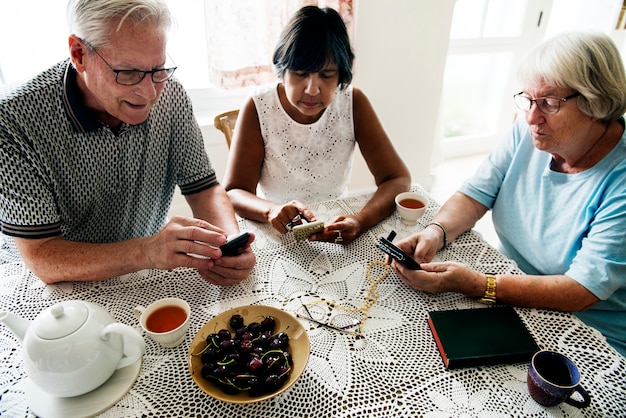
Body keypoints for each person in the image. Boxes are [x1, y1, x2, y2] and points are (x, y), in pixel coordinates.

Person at [391, 31, 626, 357]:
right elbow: (475, 194)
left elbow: (581, 291)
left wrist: (478, 285)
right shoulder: (530, 133)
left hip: (589, 333)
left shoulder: (621, 181)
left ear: (595, 102)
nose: (531, 117)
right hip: (515, 291)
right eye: (529, 100)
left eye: (549, 103)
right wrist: (435, 232)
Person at [0, 0, 255, 285]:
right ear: (79, 54)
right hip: (52, 288)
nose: (149, 93)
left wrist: (229, 244)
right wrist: (146, 251)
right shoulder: (13, 119)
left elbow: (204, 189)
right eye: (128, 73)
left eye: (158, 70)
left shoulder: (171, 94)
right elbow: (42, 258)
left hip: (139, 272)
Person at [222, 6, 411, 245]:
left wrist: (360, 220)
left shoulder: (353, 103)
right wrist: (271, 210)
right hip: (275, 230)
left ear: (341, 75)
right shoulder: (259, 105)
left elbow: (398, 179)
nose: (312, 89)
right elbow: (234, 192)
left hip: (335, 228)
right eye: (300, 73)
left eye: (327, 74)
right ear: (282, 69)